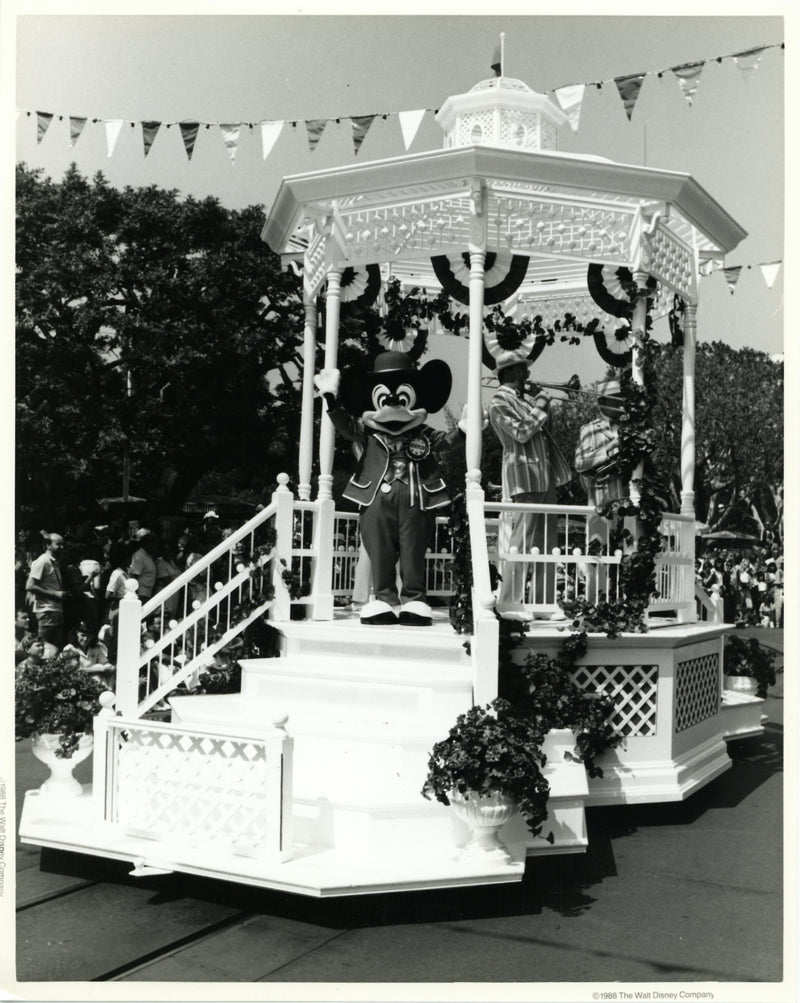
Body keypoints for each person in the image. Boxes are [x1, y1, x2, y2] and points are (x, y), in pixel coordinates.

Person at [487, 351, 572, 612]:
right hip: (524, 478)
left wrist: (542, 407)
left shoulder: (522, 401)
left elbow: (544, 433)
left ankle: (543, 603)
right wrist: (540, 407)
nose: (527, 374)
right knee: (521, 541)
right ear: (509, 373)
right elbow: (521, 433)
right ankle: (509, 601)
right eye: (522, 370)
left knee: (547, 545)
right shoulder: (498, 402)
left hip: (544, 477)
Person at [574, 379, 628, 602]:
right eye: (615, 398)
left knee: (626, 553)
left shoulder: (628, 428)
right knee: (598, 552)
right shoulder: (590, 429)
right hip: (599, 499)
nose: (621, 403)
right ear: (602, 402)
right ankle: (596, 601)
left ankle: (622, 601)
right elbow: (580, 462)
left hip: (625, 500)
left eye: (622, 398)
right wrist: (610, 449)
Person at [25, 532, 66, 657]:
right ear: (48, 545)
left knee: (54, 649)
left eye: (62, 544)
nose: (62, 547)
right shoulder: (43, 561)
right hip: (46, 609)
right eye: (58, 544)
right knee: (42, 647)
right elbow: (30, 585)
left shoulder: (54, 561)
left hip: (55, 609)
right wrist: (55, 594)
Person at [128, 532, 158, 600]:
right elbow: (134, 575)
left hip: (147, 593)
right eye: (153, 544)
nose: (155, 547)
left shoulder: (149, 556)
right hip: (140, 593)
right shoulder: (139, 556)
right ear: (147, 544)